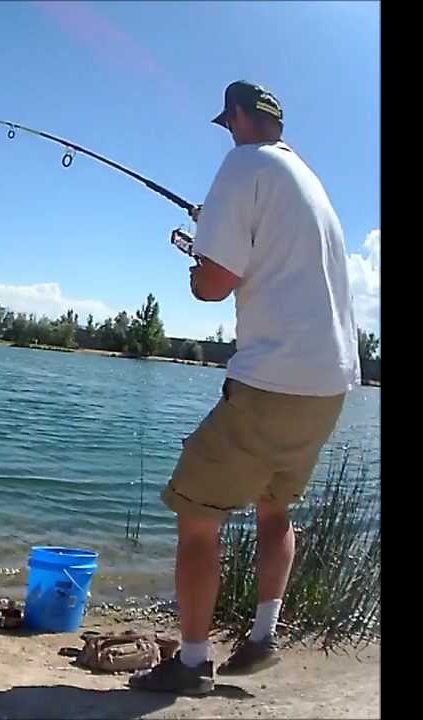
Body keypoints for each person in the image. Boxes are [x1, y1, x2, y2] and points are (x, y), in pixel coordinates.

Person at [129, 80, 360, 695]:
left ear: (236, 117)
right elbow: (272, 259)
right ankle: (261, 639)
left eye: (226, 121)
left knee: (196, 516)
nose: (227, 132)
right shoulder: (306, 181)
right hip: (331, 383)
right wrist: (220, 236)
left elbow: (213, 284)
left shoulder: (243, 163)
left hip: (273, 380)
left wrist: (200, 257)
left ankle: (191, 664)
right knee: (273, 507)